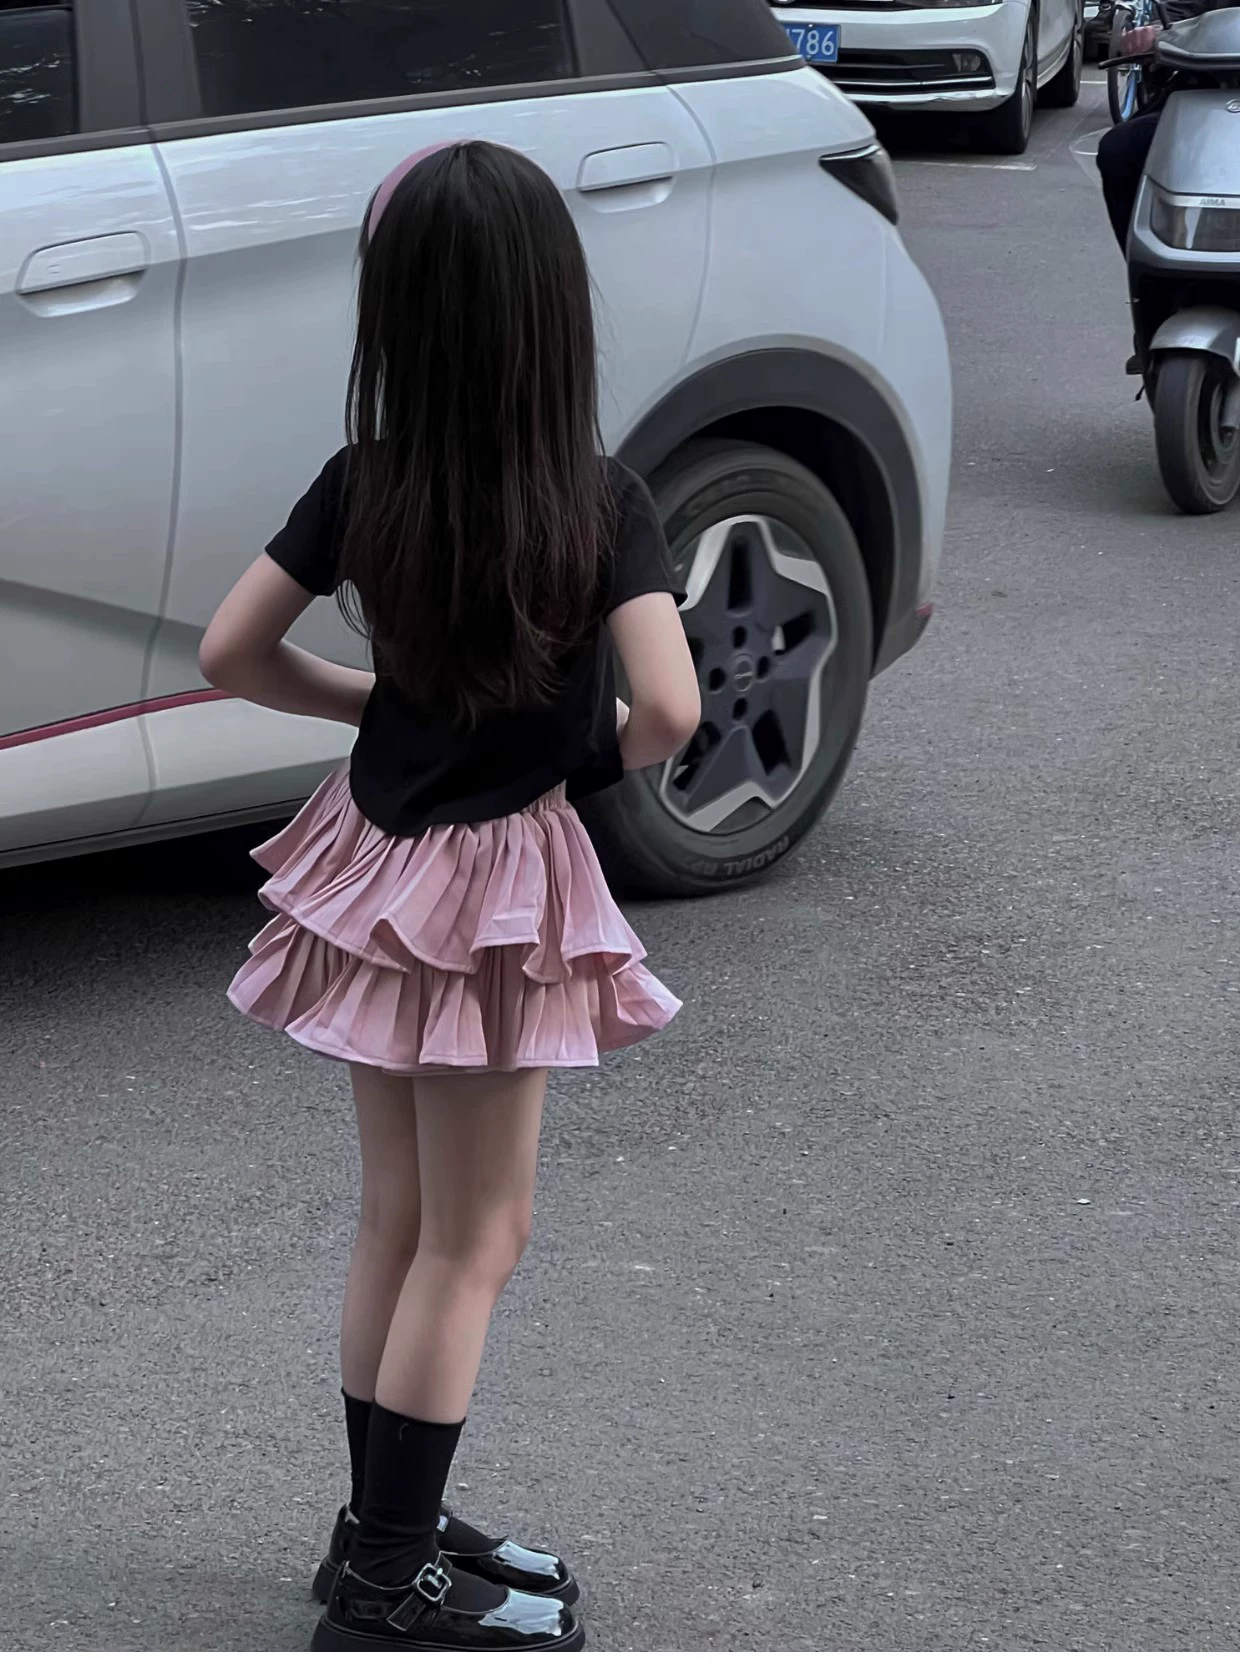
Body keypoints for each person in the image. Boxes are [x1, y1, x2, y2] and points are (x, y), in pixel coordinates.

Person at [199, 139, 701, 1654]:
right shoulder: (599, 501)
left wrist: (374, 702)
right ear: (555, 312)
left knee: (398, 1223)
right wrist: (578, 758)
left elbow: (230, 653)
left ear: (399, 312)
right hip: (495, 892)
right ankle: (388, 1586)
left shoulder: (367, 481)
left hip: (375, 863)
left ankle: (375, 1534)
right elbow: (671, 710)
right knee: (476, 1240)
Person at [1096, 1, 1232, 253]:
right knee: (1121, 149)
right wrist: (1155, 32)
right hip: (1206, 93)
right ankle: (1148, 270)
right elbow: (1179, 12)